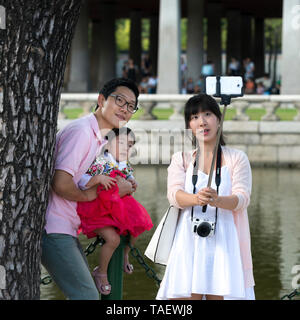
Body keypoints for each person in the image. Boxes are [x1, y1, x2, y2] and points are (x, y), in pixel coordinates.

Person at [41, 78, 139, 300]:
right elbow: (61, 183)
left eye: (131, 106)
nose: (125, 109)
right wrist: (105, 192)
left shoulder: (98, 138)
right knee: (87, 297)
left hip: (66, 226)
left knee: (85, 294)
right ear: (101, 100)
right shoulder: (82, 133)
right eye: (120, 101)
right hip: (54, 226)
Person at [156, 94, 255, 300]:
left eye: (208, 114)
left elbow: (242, 198)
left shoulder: (237, 158)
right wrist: (197, 199)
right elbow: (174, 195)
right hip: (187, 240)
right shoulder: (181, 158)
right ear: (189, 126)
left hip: (225, 240)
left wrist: (217, 200)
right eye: (194, 117)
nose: (202, 122)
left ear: (219, 120)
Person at [77, 127, 153, 295]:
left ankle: (125, 255)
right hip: (97, 210)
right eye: (122, 143)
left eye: (130, 145)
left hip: (116, 207)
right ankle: (101, 272)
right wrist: (97, 179)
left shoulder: (123, 164)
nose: (126, 148)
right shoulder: (99, 161)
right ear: (107, 144)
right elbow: (81, 181)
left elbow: (128, 178)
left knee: (137, 226)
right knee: (112, 240)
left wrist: (132, 182)